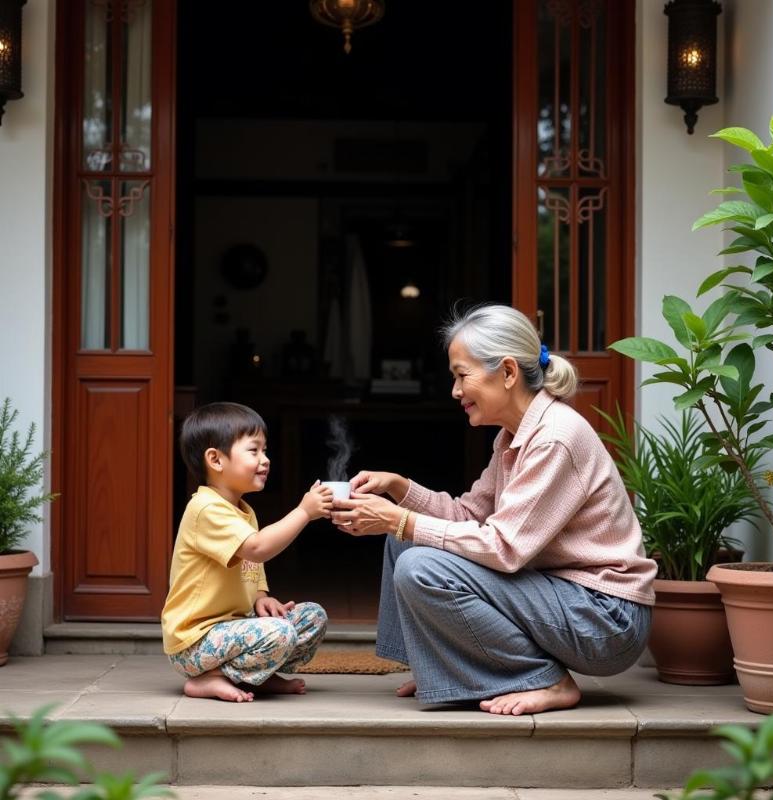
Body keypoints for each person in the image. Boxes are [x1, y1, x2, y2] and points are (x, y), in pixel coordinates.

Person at [332, 304, 656, 715]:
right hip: (563, 599)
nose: (455, 391)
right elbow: (469, 516)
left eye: (461, 375)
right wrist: (401, 490)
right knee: (402, 546)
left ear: (506, 372)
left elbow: (504, 548)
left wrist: (401, 520)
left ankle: (549, 681)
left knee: (419, 563)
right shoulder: (512, 436)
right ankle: (445, 665)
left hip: (605, 619)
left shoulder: (555, 437)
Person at [162, 402, 333, 703]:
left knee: (312, 617)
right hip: (195, 642)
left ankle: (257, 677)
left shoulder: (244, 511)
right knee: (279, 634)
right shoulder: (205, 509)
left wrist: (261, 598)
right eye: (254, 451)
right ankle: (207, 679)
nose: (265, 460)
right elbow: (257, 549)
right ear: (215, 460)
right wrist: (304, 512)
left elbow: (251, 568)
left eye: (265, 451)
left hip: (233, 631)